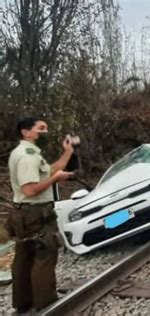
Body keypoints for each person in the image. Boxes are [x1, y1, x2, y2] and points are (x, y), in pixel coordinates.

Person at [5, 118, 74, 314]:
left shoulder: (30, 153)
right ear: (26, 132)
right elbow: (30, 189)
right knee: (45, 254)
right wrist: (55, 179)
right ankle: (46, 304)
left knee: (24, 256)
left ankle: (23, 303)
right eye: (41, 128)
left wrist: (67, 152)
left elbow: (50, 170)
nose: (46, 132)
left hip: (23, 212)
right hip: (35, 212)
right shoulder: (27, 157)